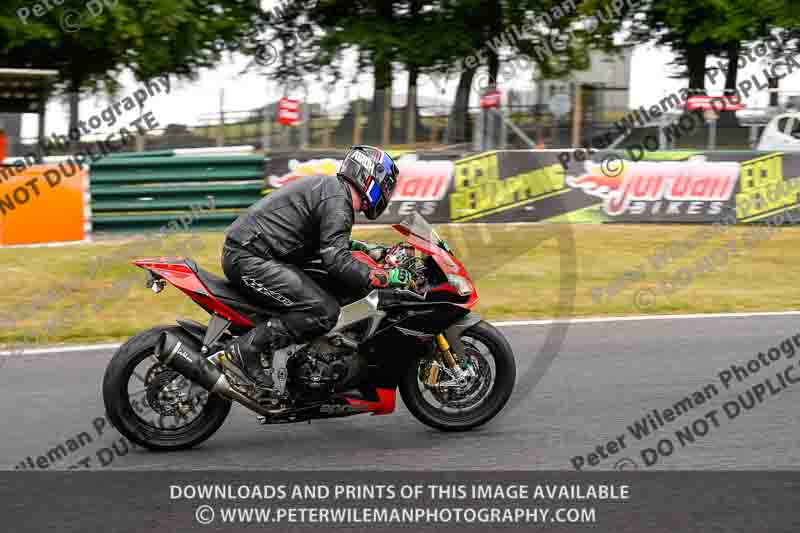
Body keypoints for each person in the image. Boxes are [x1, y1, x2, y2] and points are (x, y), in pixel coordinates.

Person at [220, 145, 412, 388]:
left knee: (331, 292)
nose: (387, 192)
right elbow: (337, 261)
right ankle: (245, 351)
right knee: (322, 311)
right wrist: (385, 277)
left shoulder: (334, 193)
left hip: (257, 253)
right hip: (249, 257)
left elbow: (332, 241)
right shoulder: (337, 200)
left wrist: (371, 251)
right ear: (370, 178)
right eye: (386, 185)